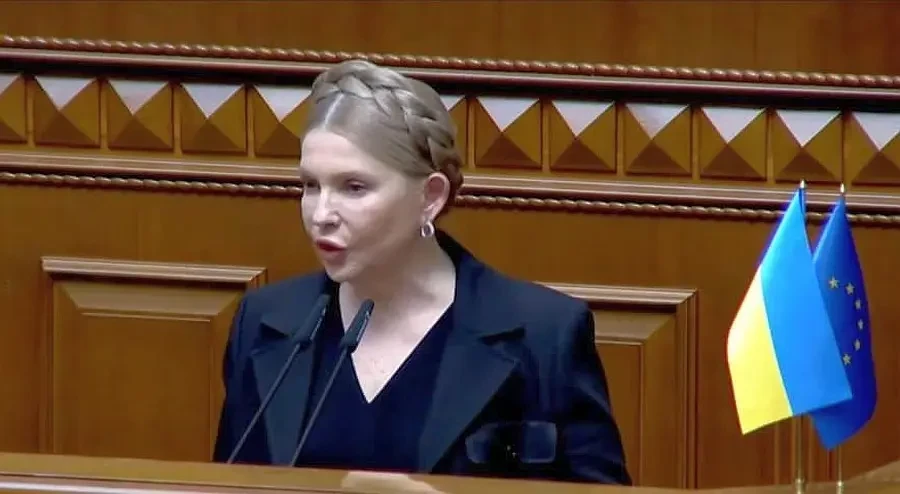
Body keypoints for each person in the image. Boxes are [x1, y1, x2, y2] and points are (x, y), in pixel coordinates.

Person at [212, 59, 631, 485]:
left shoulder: (543, 335)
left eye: (353, 187)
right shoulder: (265, 323)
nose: (321, 215)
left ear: (430, 196)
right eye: (310, 185)